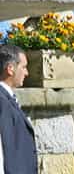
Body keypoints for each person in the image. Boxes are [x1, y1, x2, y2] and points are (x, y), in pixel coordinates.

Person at [0, 44, 37, 174]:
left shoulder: (7, 98)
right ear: (10, 69)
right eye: (24, 67)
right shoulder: (2, 102)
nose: (27, 73)